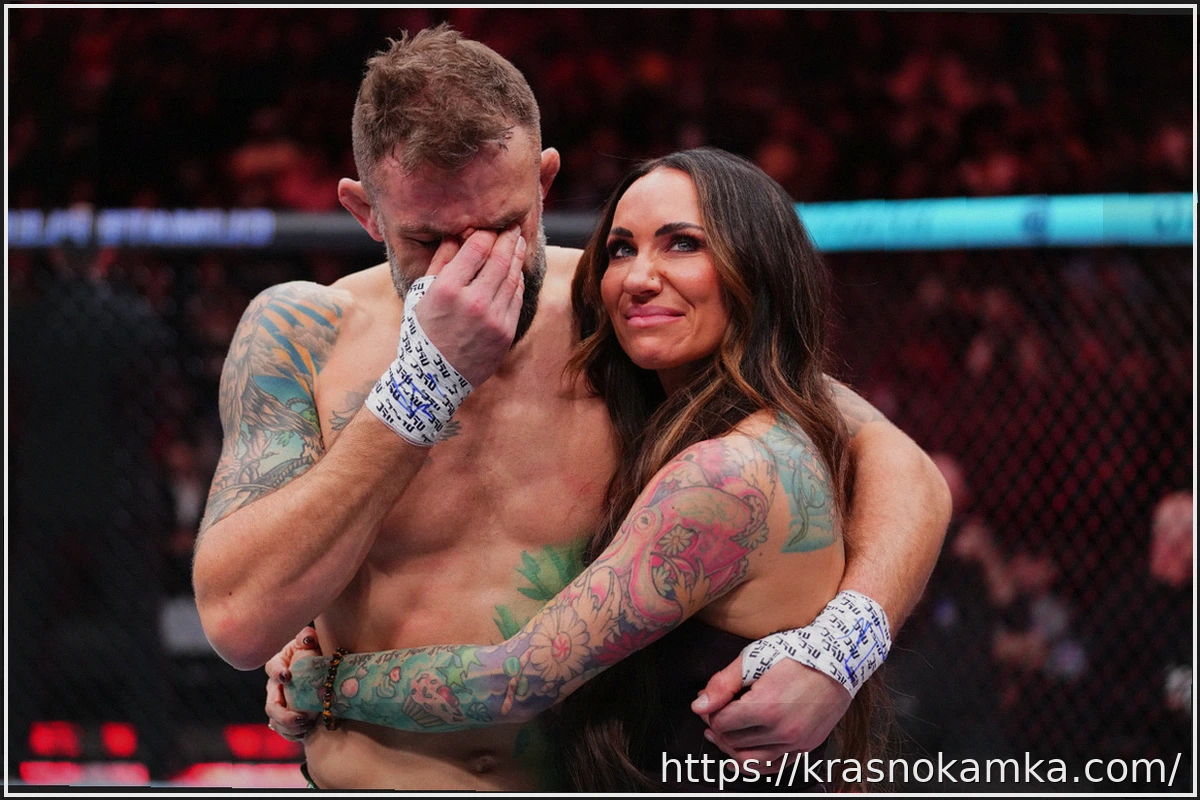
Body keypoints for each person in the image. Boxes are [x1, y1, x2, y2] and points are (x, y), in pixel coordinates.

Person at [193, 25, 950, 790]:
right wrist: (416, 392)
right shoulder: (304, 335)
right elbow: (237, 620)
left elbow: (894, 461)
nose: (471, 269)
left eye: (502, 228)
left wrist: (844, 647)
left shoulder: (624, 305)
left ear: (543, 182)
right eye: (428, 240)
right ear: (367, 213)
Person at [274, 147, 891, 791]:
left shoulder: (728, 472)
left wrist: (320, 683)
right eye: (621, 249)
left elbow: (515, 680)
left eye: (683, 244)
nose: (639, 277)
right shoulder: (744, 418)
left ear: (758, 269)